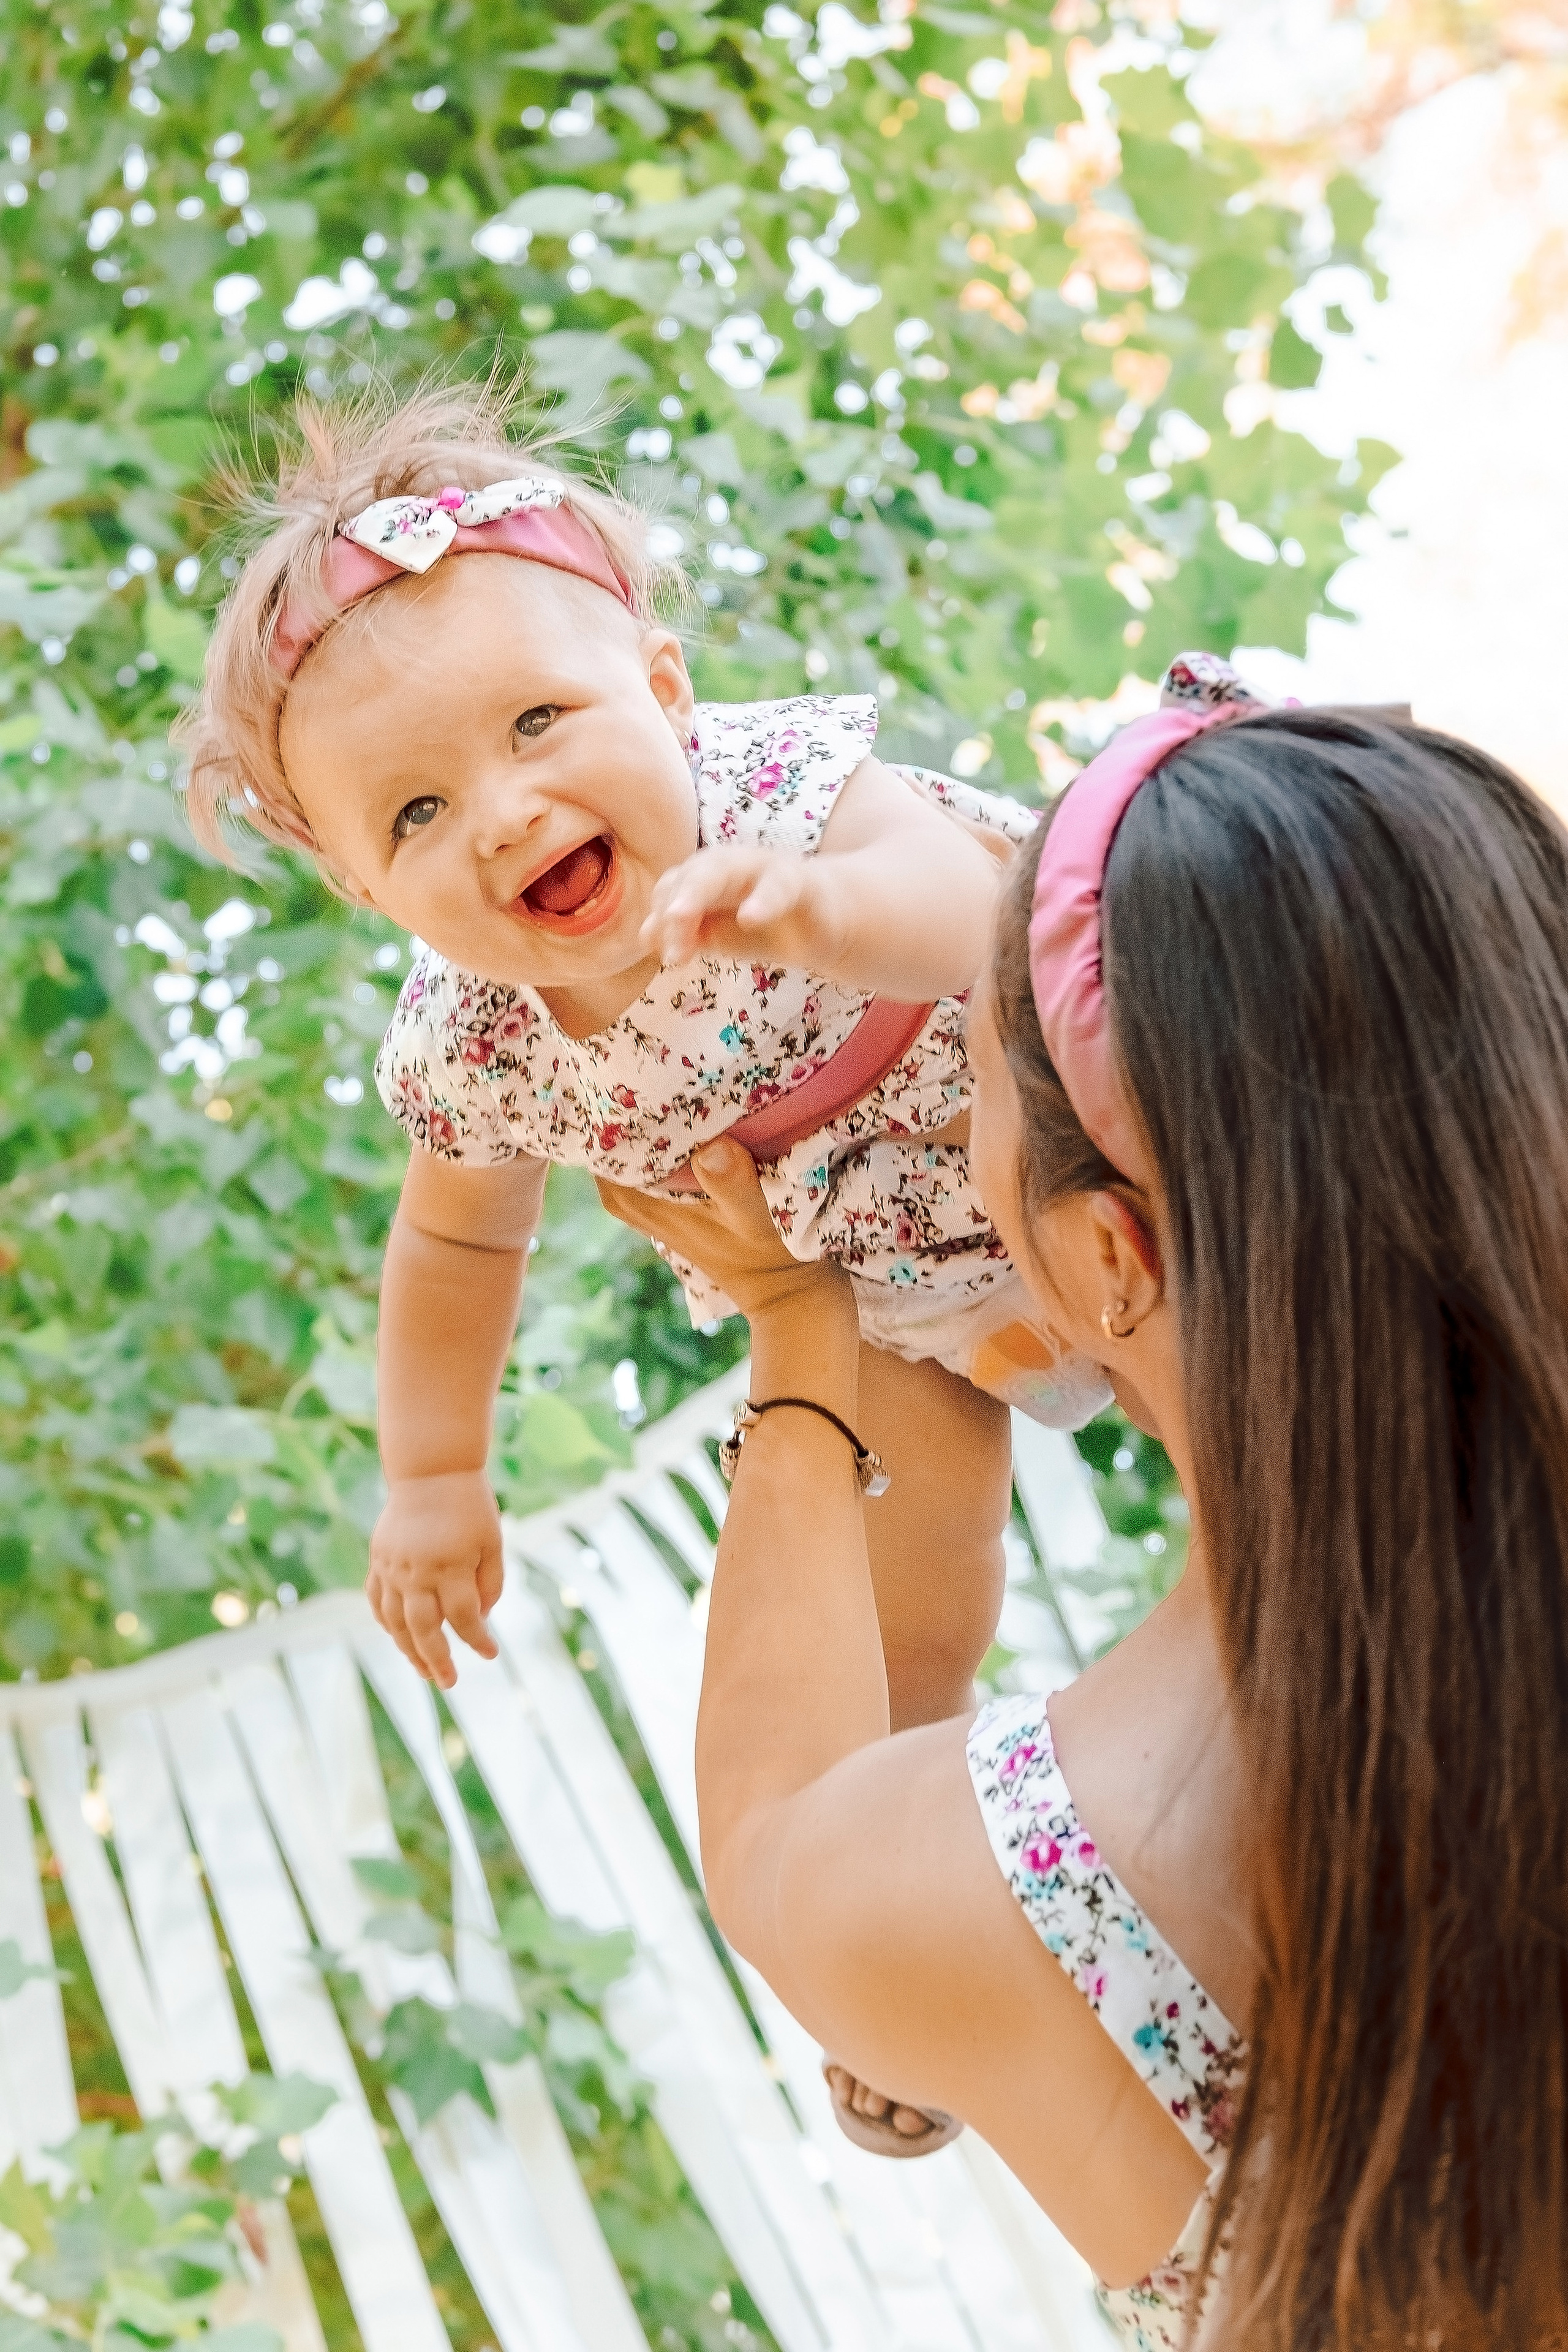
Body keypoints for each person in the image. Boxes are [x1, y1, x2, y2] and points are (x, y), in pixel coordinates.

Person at [177, 383, 1112, 2150]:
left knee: (1251, 1335)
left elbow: (973, 913)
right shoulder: (478, 1041)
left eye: (541, 721)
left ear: (664, 693)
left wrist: (818, 911)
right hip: (886, 1280)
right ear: (374, 896)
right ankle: (926, 1904)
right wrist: (435, 1477)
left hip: (1069, 1108)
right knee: (915, 1584)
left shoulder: (778, 794)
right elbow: (455, 1248)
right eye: (419, 814)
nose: (508, 812)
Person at [600, 683, 1568, 2348]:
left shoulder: (1042, 1885)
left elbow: (772, 1837)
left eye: (960, 1105)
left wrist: (800, 1331)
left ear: (1110, 1258)